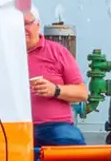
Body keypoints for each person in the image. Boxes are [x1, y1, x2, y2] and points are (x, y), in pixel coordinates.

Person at [25, 9, 89, 147]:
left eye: (26, 24)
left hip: (53, 126)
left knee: (69, 140)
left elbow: (82, 93)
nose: (22, 29)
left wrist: (55, 90)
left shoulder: (57, 52)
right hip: (11, 127)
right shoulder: (3, 54)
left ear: (37, 25)